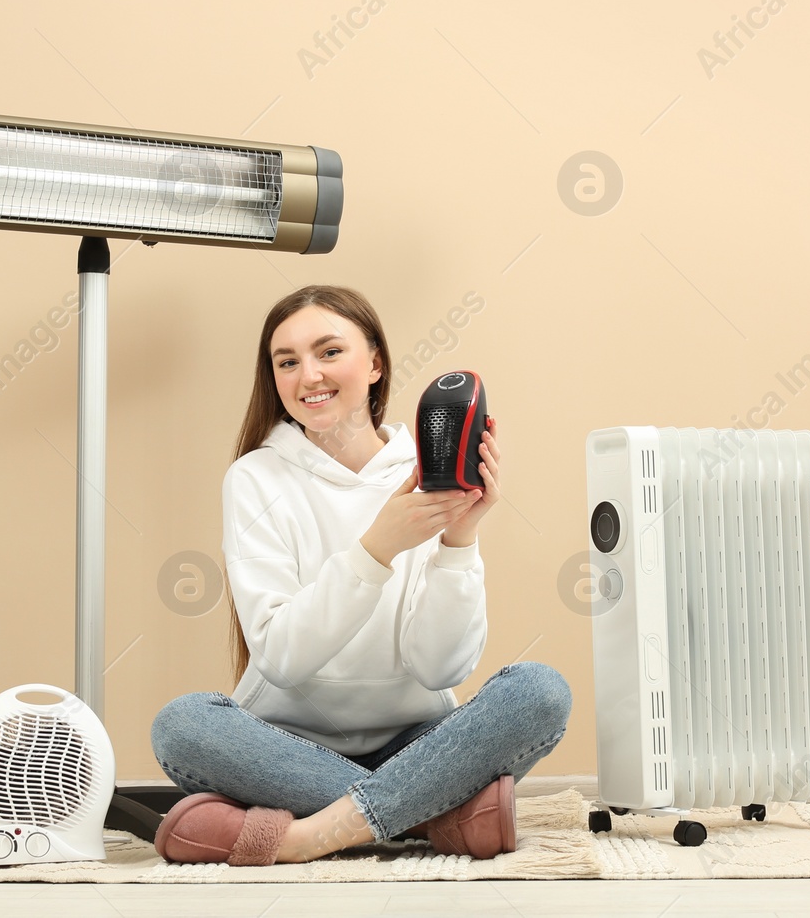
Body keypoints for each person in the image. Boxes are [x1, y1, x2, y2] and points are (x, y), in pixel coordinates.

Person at [149, 284, 571, 866]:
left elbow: (440, 669)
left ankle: (309, 835)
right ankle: (434, 819)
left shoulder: (427, 470)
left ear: (374, 363)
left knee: (539, 692)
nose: (308, 376)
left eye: (329, 352)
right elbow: (283, 658)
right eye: (287, 362)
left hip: (419, 744)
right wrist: (377, 548)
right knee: (183, 726)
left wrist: (458, 539)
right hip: (286, 749)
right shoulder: (255, 478)